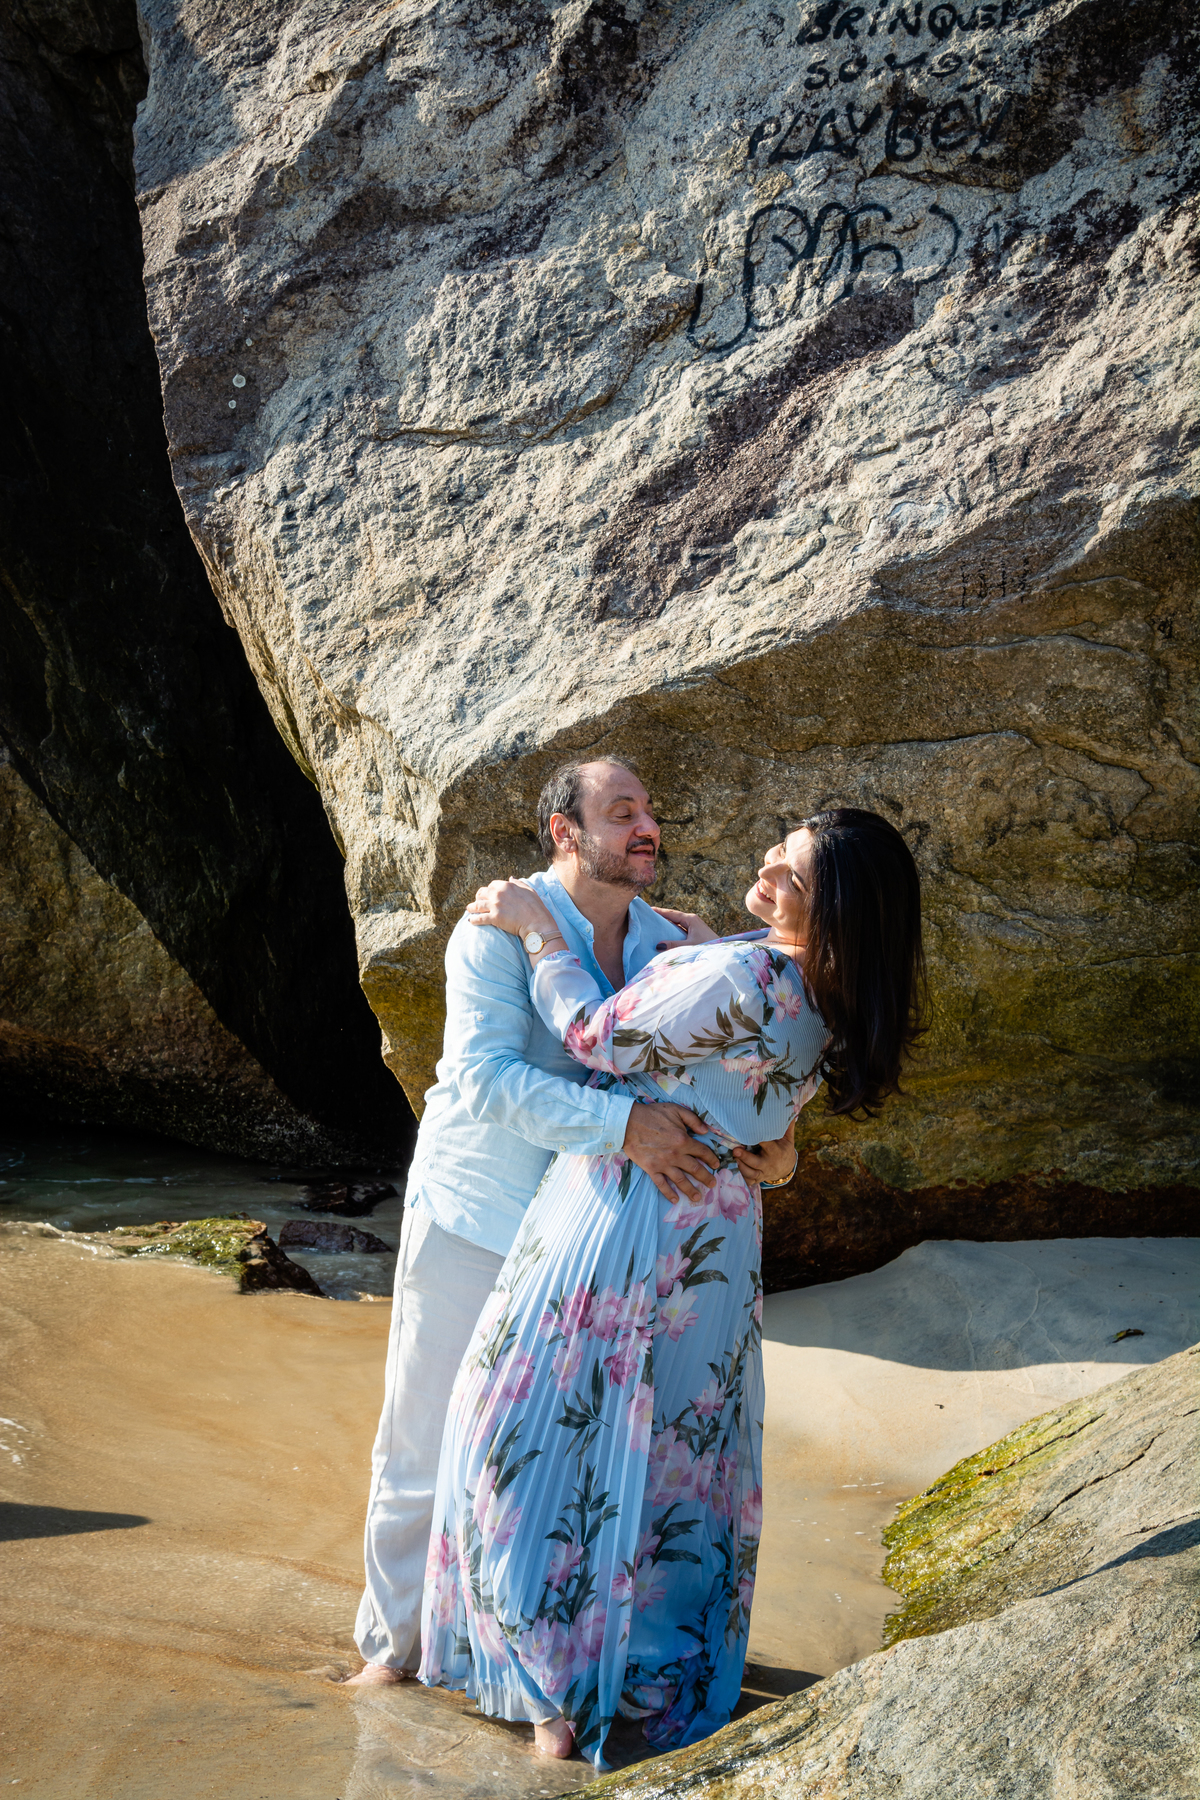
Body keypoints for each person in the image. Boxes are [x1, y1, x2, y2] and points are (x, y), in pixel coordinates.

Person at [419, 808, 925, 1766]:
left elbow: (593, 1035)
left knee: (519, 1431)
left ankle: (557, 1692)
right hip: (718, 1245)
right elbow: (759, 1101)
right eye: (780, 846)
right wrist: (704, 948)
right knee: (674, 1452)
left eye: (794, 874)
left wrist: (536, 927)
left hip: (627, 1221)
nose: (769, 863)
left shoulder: (747, 976)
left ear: (833, 913)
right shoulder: (826, 991)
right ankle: (645, 1672)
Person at [348, 758, 797, 1684]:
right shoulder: (497, 930)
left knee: (555, 1456)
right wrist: (624, 1126)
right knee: (426, 1447)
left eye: (650, 812)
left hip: (587, 1246)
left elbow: (741, 1062)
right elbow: (487, 1081)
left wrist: (780, 1153)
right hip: (477, 1214)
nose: (647, 827)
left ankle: (529, 1662)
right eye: (621, 812)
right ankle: (392, 1655)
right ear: (565, 831)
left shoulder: (670, 945)